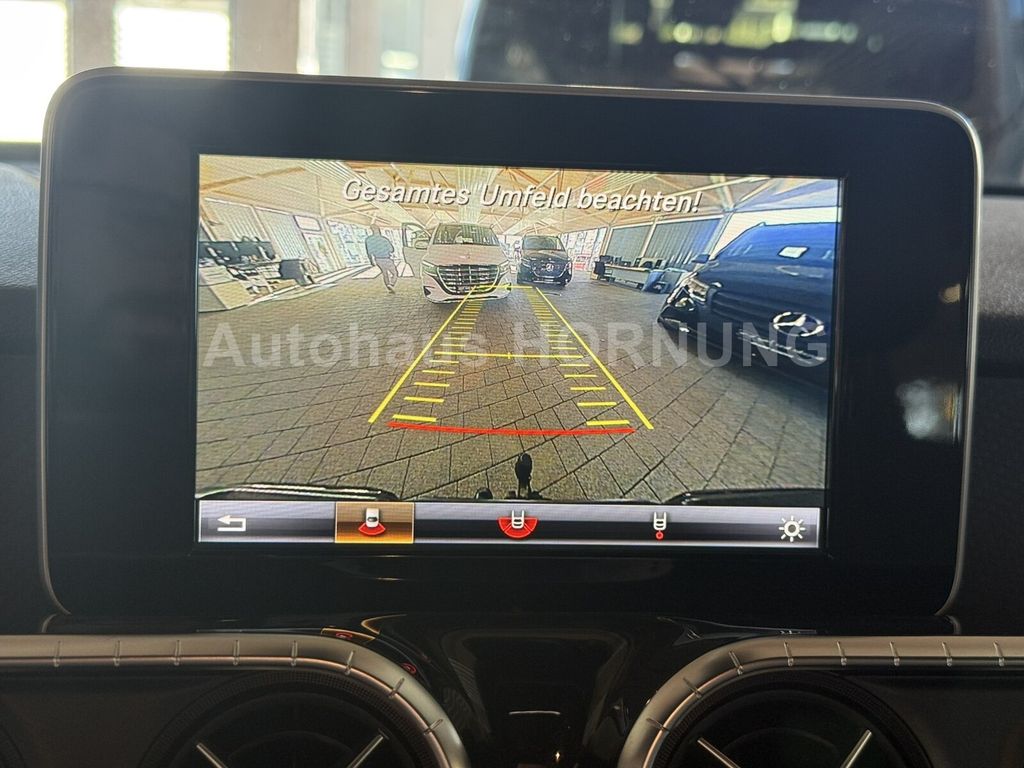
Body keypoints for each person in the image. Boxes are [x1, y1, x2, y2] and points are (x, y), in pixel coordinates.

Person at [364, 226, 398, 293]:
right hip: (386, 258)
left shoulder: (369, 240)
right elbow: (391, 250)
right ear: (379, 230)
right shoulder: (384, 239)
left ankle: (389, 288)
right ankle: (391, 284)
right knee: (394, 273)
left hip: (378, 259)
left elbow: (369, 252)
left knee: (385, 273)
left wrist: (371, 261)